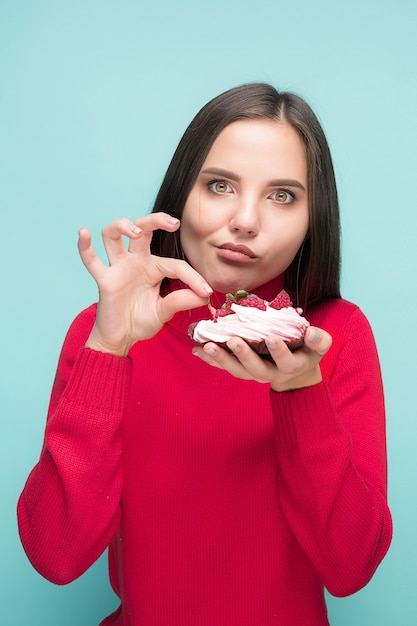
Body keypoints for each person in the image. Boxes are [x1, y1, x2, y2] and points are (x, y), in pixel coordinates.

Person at [17, 83, 392, 626]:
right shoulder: (104, 331)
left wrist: (299, 392)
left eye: (282, 195)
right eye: (219, 185)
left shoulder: (335, 336)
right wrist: (108, 349)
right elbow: (56, 556)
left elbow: (351, 568)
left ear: (315, 218)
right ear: (180, 194)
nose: (245, 220)